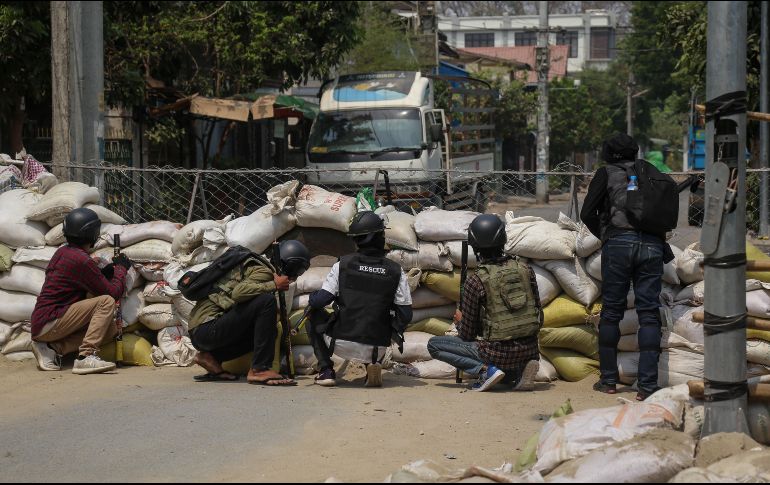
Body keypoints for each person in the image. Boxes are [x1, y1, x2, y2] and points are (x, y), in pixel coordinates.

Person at [580, 132, 675, 401]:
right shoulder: (651, 172)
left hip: (619, 245)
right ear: (636, 152)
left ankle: (608, 380)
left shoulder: (605, 174)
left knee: (612, 312)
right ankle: (647, 386)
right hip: (653, 246)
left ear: (608, 153)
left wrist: (608, 234)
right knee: (648, 314)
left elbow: (587, 213)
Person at [427, 214, 541, 392]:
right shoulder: (526, 270)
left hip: (497, 353)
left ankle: (486, 371)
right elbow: (538, 316)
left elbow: (467, 334)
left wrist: (460, 320)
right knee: (504, 362)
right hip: (530, 349)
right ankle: (519, 371)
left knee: (434, 345)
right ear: (503, 241)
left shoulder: (476, 280)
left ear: (475, 248)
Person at [306, 211, 412, 388]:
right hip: (377, 348)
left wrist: (312, 298)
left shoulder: (343, 265)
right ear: (380, 236)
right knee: (375, 315)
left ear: (356, 240)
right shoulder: (396, 270)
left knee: (311, 312)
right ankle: (370, 364)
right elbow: (406, 315)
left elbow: (320, 301)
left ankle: (326, 371)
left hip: (339, 343)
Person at [188, 240, 310, 386]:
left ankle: (210, 358)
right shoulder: (264, 271)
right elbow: (239, 293)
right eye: (298, 270)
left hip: (202, 331)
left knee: (269, 329)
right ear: (290, 264)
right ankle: (259, 370)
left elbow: (247, 305)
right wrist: (274, 285)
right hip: (206, 328)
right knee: (267, 301)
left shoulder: (259, 268)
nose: (296, 275)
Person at [31, 208, 131, 375]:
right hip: (50, 320)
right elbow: (112, 293)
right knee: (105, 301)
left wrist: (103, 271)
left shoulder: (64, 252)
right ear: (91, 234)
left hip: (45, 323)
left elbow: (89, 281)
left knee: (110, 330)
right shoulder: (81, 260)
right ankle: (86, 357)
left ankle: (52, 348)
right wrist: (121, 269)